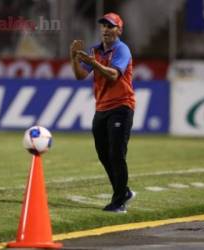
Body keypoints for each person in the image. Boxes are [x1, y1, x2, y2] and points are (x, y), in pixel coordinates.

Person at [70, 12, 136, 213]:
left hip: (121, 107)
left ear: (119, 30)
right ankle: (123, 191)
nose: (106, 30)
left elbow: (113, 75)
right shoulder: (95, 50)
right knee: (103, 154)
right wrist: (74, 58)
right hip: (101, 108)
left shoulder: (121, 49)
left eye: (111, 26)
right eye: (104, 26)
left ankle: (119, 202)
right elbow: (80, 76)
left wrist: (93, 63)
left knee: (116, 153)